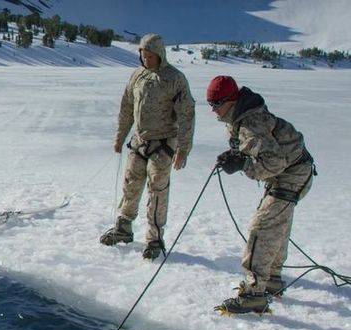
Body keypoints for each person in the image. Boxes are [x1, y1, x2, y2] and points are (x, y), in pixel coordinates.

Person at [209, 75, 315, 314]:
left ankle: (254, 294)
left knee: (263, 226)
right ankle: (272, 280)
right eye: (211, 104)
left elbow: (274, 163)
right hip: (292, 171)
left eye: (216, 104)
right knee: (277, 224)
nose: (213, 110)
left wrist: (243, 165)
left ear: (230, 100)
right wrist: (236, 157)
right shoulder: (240, 118)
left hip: (292, 174)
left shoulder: (250, 124)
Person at [100, 33, 195, 260]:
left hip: (163, 145)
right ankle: (123, 228)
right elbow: (126, 107)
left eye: (151, 56)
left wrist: (183, 149)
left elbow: (186, 115)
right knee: (130, 186)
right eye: (143, 55)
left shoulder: (175, 79)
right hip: (139, 142)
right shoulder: (137, 76)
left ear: (160, 55)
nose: (146, 60)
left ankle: (154, 239)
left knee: (157, 192)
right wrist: (120, 136)